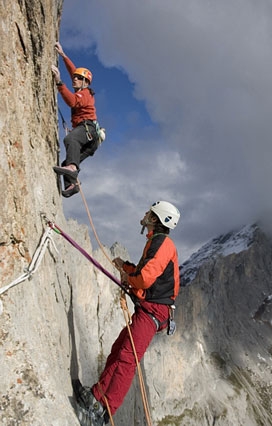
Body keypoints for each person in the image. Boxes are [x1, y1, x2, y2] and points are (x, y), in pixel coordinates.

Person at [73, 201, 180, 426]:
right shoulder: (156, 242)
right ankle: (96, 397)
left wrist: (128, 279)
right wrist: (127, 268)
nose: (145, 214)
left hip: (153, 312)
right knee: (119, 349)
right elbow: (145, 272)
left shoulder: (162, 244)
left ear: (156, 219)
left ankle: (104, 412)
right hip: (152, 310)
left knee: (127, 359)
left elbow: (145, 279)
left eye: (149, 212)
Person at [51, 42, 105, 198]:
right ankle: (72, 185)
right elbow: (73, 71)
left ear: (85, 82)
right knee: (66, 163)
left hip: (88, 130)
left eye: (78, 78)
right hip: (91, 142)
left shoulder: (86, 93)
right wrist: (63, 55)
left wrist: (59, 83)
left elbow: (72, 102)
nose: (74, 79)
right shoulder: (81, 86)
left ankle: (73, 169)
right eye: (74, 77)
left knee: (70, 140)